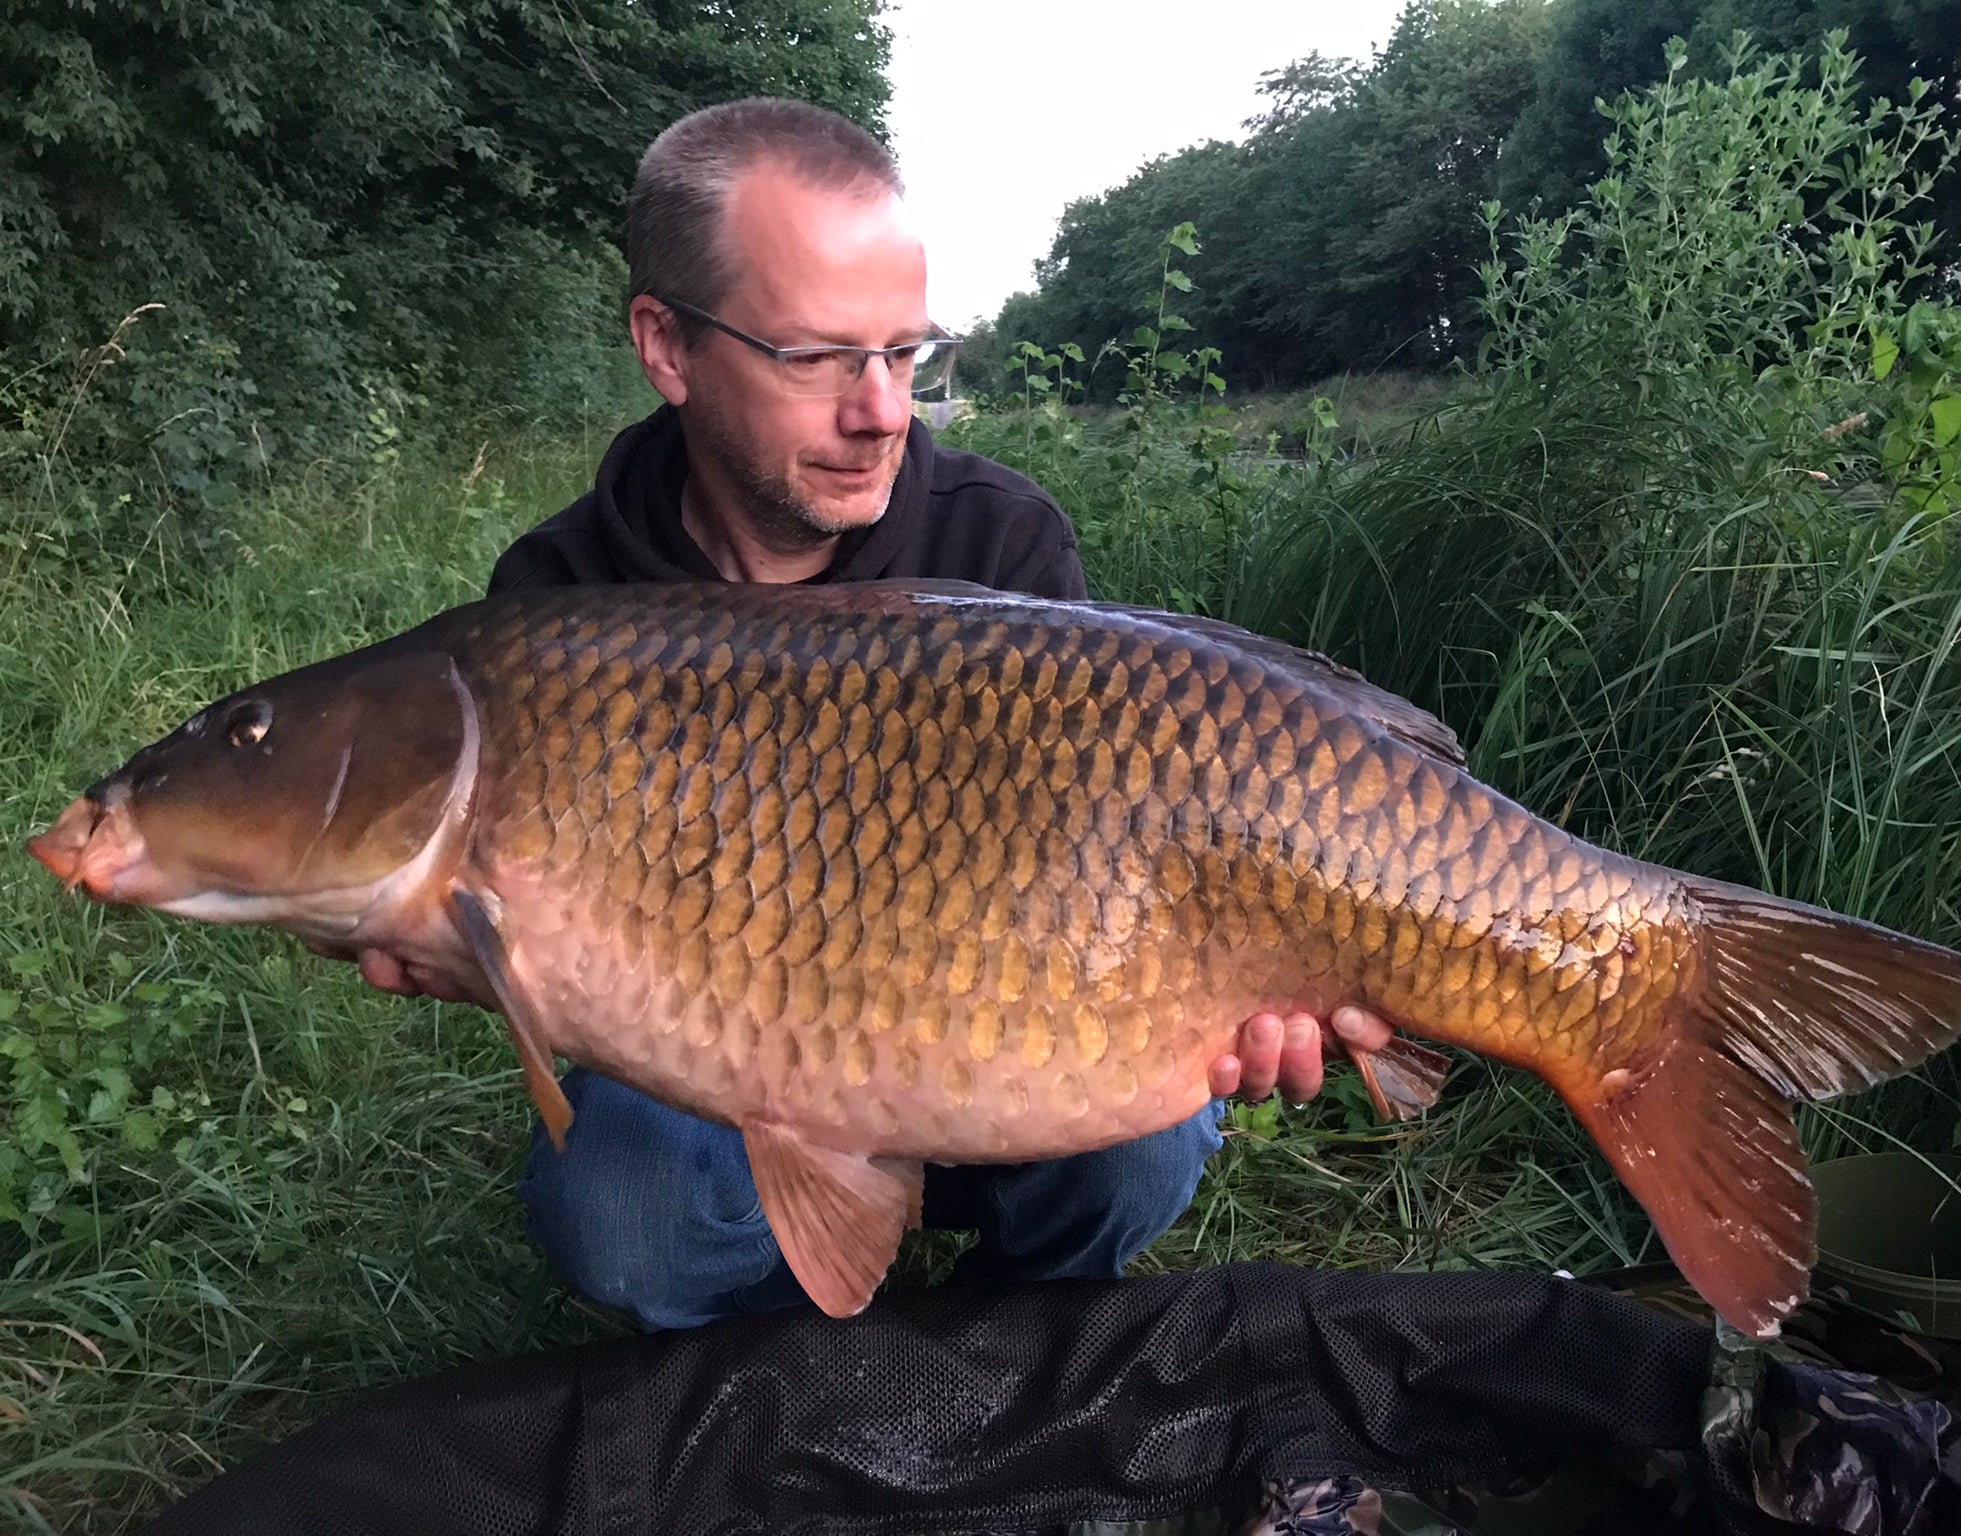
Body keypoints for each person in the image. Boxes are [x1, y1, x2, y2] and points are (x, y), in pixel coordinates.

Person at [342, 98, 1393, 1330]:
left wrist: (1253, 983)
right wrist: (480, 951)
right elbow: (557, 964)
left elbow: (1105, 863)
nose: (884, 411)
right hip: (728, 1069)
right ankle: (774, 1369)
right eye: (817, 357)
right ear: (667, 347)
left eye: (904, 354)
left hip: (1006, 1039)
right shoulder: (560, 605)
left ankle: (1013, 1343)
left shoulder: (1000, 543)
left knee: (1144, 1143)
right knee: (622, 1208)